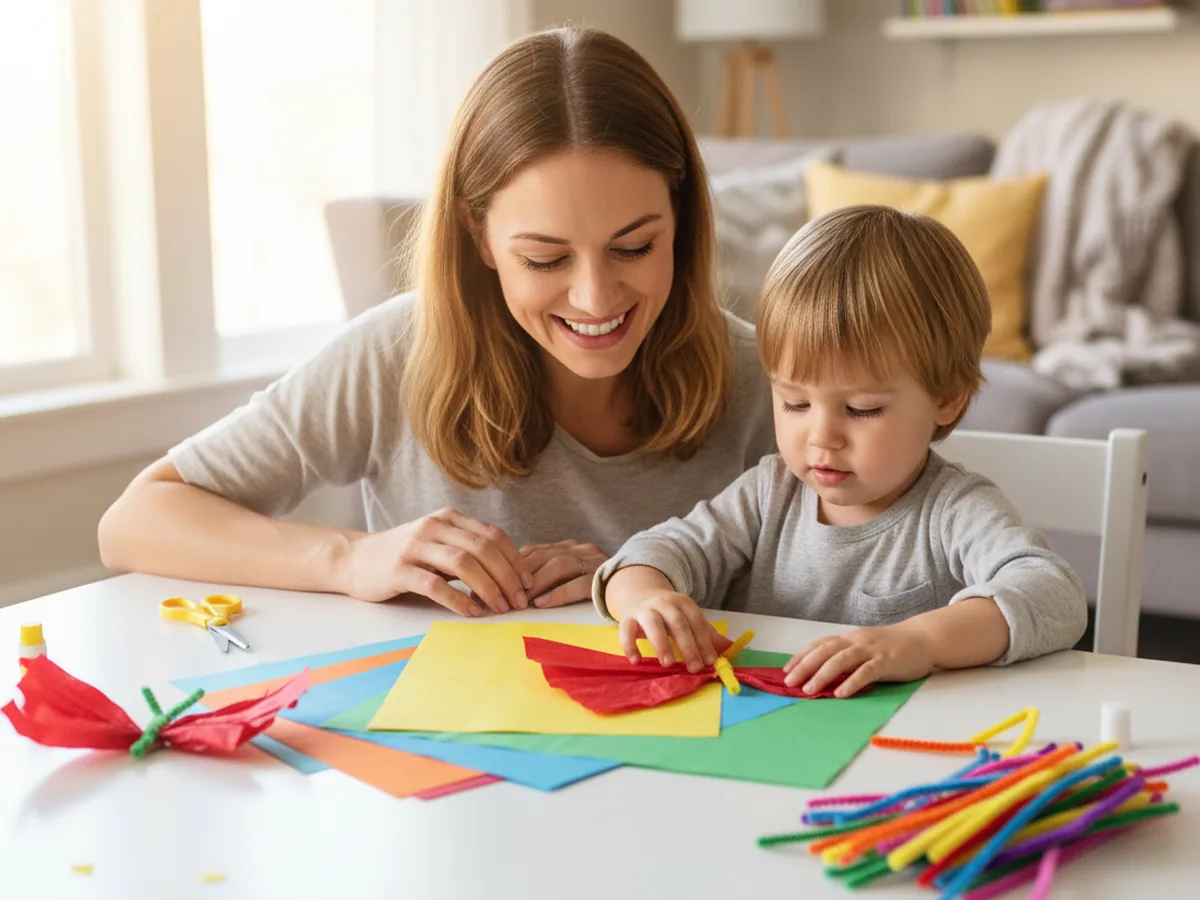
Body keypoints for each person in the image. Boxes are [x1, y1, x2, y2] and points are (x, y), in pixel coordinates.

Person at [96, 27, 776, 617]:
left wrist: (640, 575)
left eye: (634, 248)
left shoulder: (767, 384)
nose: (595, 298)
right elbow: (134, 523)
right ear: (478, 236)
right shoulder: (396, 353)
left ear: (681, 222)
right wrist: (348, 559)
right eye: (544, 259)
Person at [593, 205, 1088, 698]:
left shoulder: (953, 510)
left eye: (862, 409)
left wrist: (919, 640)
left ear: (947, 398)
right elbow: (653, 552)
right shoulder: (769, 494)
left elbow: (1055, 594)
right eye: (795, 402)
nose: (821, 437)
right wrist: (646, 596)